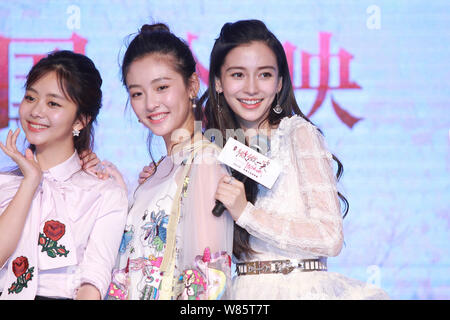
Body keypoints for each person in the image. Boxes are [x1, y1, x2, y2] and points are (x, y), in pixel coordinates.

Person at [197, 19, 390, 299]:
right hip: (241, 293)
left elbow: (330, 237)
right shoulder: (213, 147)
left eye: (264, 75)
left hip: (301, 288)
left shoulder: (298, 134)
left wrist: (247, 214)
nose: (251, 88)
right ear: (218, 82)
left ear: (279, 83)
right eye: (238, 75)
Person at [105, 23, 233, 300]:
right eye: (137, 93)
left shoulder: (204, 163)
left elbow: (208, 280)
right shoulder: (157, 171)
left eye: (161, 87)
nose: (150, 103)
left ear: (192, 86)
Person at [0, 50, 128, 300]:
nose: (36, 111)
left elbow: (94, 281)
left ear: (80, 121)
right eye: (30, 97)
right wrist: (30, 183)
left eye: (53, 103)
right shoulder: (4, 183)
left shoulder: (104, 193)